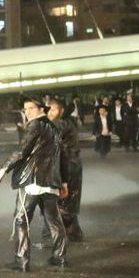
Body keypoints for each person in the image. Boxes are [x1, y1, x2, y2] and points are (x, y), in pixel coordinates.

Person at [0, 96, 68, 272]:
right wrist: (64, 182)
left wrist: (3, 169)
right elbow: (62, 156)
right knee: (54, 221)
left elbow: (22, 151)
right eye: (25, 109)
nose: (27, 112)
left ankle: (22, 260)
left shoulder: (35, 125)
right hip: (50, 182)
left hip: (32, 181)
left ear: (41, 109)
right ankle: (60, 257)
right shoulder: (54, 127)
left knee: (21, 219)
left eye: (31, 108)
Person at [47, 98, 84, 242]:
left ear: (61, 111)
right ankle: (73, 232)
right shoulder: (65, 123)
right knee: (69, 200)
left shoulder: (60, 124)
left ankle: (63, 236)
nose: (50, 112)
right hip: (71, 165)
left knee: (64, 200)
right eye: (48, 109)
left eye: (53, 109)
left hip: (68, 165)